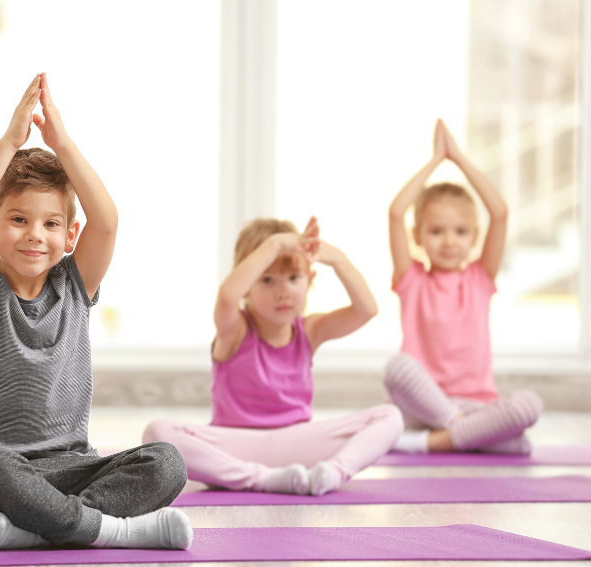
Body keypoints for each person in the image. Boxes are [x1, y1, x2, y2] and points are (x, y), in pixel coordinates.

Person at [0, 73, 192, 551]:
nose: (36, 233)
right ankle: (110, 532)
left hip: (72, 471)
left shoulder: (75, 287)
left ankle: (36, 532)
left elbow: (107, 220)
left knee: (167, 463)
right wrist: (11, 140)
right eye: (18, 219)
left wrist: (61, 141)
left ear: (69, 235)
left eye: (50, 223)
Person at [144, 218, 403, 495]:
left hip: (298, 444)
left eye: (293, 279)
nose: (283, 293)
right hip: (235, 448)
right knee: (156, 433)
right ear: (247, 286)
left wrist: (338, 259)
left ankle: (332, 474)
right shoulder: (235, 330)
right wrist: (275, 244)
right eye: (267, 280)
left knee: (391, 417)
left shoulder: (310, 330)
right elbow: (227, 298)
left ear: (309, 279)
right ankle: (260, 479)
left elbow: (366, 310)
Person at [384, 119, 542, 455]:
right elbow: (396, 212)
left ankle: (432, 441)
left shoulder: (480, 278)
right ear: (418, 237)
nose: (449, 241)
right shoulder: (411, 280)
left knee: (528, 408)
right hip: (420, 405)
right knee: (397, 367)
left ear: (474, 237)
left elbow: (499, 212)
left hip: (473, 404)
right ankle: (461, 434)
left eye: (460, 231)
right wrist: (434, 161)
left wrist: (458, 158)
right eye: (436, 231)